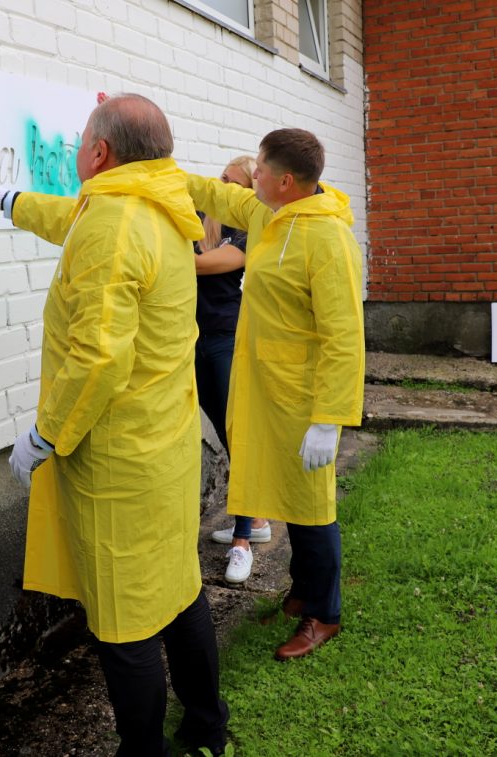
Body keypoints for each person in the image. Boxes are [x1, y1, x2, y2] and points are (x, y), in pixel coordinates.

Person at [0, 94, 229, 756]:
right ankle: (206, 724)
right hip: (165, 443)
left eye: (82, 141)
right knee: (179, 589)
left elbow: (100, 356)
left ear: (100, 154)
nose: (76, 150)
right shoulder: (158, 201)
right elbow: (76, 219)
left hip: (117, 462)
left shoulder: (114, 219)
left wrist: (46, 433)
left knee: (124, 622)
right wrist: (6, 199)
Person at [185, 128, 365, 660]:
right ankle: (302, 591)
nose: (252, 175)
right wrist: (145, 167)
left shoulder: (327, 239)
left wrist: (329, 418)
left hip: (304, 398)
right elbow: (217, 195)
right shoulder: (270, 213)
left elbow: (344, 334)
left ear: (286, 181)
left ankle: (324, 614)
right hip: (268, 388)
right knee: (285, 497)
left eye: (259, 168)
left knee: (311, 507)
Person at [192, 155, 273, 584]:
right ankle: (256, 520)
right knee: (226, 434)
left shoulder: (248, 229)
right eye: (220, 177)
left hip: (227, 339)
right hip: (194, 339)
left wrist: (163, 261)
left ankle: (243, 543)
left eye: (232, 181)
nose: (220, 185)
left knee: (239, 435)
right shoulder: (201, 219)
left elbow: (219, 264)